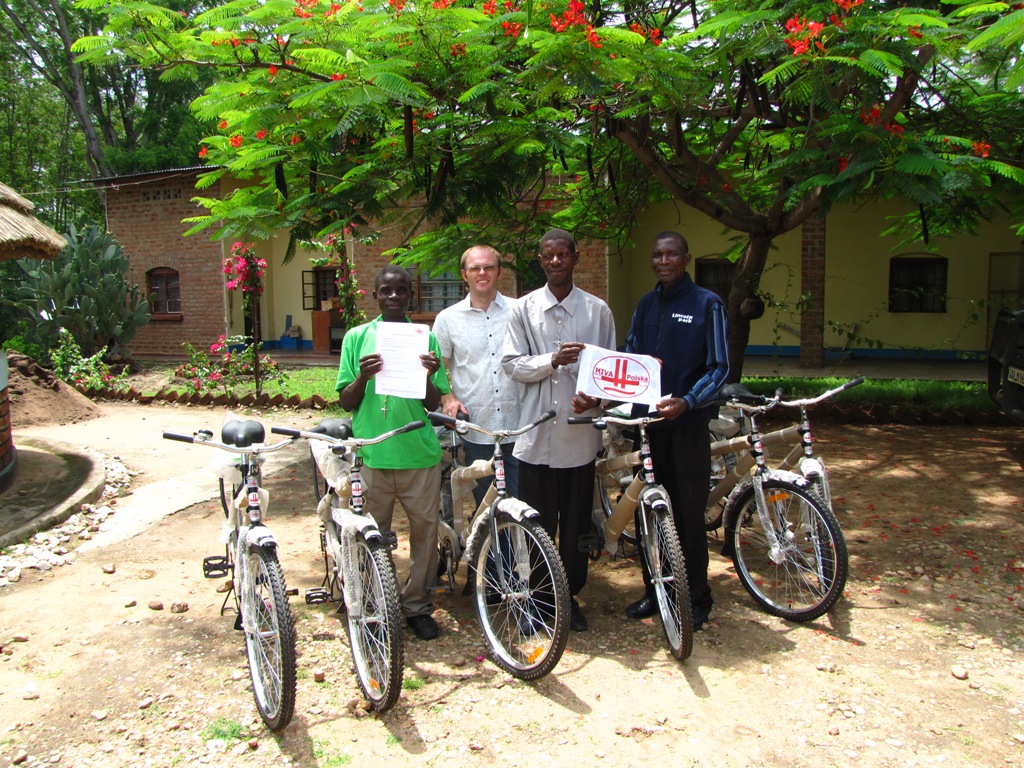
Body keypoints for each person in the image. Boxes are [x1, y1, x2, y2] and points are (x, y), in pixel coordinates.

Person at [502, 228, 616, 632]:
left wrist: (596, 400)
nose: (555, 262)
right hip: (535, 437)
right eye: (548, 256)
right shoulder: (523, 310)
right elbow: (512, 365)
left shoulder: (598, 311)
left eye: (562, 255)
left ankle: (568, 598)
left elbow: (609, 373)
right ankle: (536, 600)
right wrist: (551, 360)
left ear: (575, 257)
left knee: (574, 528)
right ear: (540, 259)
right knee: (536, 525)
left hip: (580, 437)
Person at [336, 264, 451, 641]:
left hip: (418, 455)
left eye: (401, 291)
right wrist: (363, 377)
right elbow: (345, 401)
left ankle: (417, 605)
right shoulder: (356, 338)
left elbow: (433, 402)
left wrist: (428, 376)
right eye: (386, 291)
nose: (394, 297)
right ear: (375, 295)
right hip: (373, 456)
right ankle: (374, 605)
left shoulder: (425, 339)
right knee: (372, 535)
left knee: (424, 535)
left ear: (410, 296)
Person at [621, 230, 729, 631]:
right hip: (647, 428)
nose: (663, 261)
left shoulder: (708, 304)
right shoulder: (646, 305)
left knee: (685, 516)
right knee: (648, 513)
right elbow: (630, 356)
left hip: (686, 427)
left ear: (686, 258)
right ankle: (655, 589)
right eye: (657, 255)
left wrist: (687, 401)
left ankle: (697, 598)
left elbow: (719, 367)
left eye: (671, 255)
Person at [434, 245, 521, 506]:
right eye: (475, 268)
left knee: (522, 507)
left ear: (499, 272)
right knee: (489, 508)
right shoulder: (447, 319)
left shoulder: (521, 311)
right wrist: (448, 398)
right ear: (464, 274)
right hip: (476, 430)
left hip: (520, 428)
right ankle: (491, 548)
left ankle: (520, 549)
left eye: (488, 267)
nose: (482, 273)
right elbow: (436, 366)